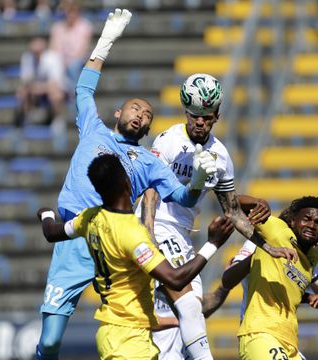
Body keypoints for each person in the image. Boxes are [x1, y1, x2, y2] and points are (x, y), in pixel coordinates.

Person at [35, 9, 219, 360]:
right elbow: (84, 88)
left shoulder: (149, 161)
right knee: (50, 342)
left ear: (148, 129)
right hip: (77, 234)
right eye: (136, 109)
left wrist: (197, 180)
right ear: (118, 112)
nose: (141, 115)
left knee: (136, 326)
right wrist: (106, 41)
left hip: (117, 243)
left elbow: (181, 196)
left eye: (148, 115)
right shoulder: (93, 128)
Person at [138, 74, 297, 359]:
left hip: (184, 234)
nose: (200, 122)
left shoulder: (220, 155)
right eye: (194, 116)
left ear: (217, 116)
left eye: (206, 117)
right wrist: (149, 235)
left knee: (194, 309)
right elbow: (150, 191)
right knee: (186, 305)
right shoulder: (169, 140)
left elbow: (233, 210)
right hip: (159, 225)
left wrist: (270, 247)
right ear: (186, 113)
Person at [37, 153, 235, 359]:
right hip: (127, 343)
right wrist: (213, 243)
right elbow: (176, 279)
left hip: (122, 333)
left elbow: (52, 232)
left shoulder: (89, 217)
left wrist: (46, 214)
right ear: (126, 182)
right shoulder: (132, 234)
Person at [212, 196, 318, 360]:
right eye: (306, 219)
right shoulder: (274, 232)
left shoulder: (311, 258)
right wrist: (257, 202)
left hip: (289, 341)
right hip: (260, 332)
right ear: (293, 221)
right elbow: (230, 204)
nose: (312, 226)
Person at [15, 36, 65, 127]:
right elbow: (25, 81)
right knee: (21, 93)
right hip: (36, 89)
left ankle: (57, 119)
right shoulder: (27, 58)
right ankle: (26, 121)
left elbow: (55, 84)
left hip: (53, 88)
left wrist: (38, 88)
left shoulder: (53, 58)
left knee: (55, 94)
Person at [49, 0, 93, 95]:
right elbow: (53, 47)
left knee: (73, 66)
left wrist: (68, 61)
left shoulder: (85, 26)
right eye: (68, 12)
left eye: (73, 11)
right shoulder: (57, 27)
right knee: (53, 65)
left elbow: (83, 49)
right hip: (60, 60)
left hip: (78, 60)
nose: (70, 15)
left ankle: (75, 95)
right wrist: (62, 61)